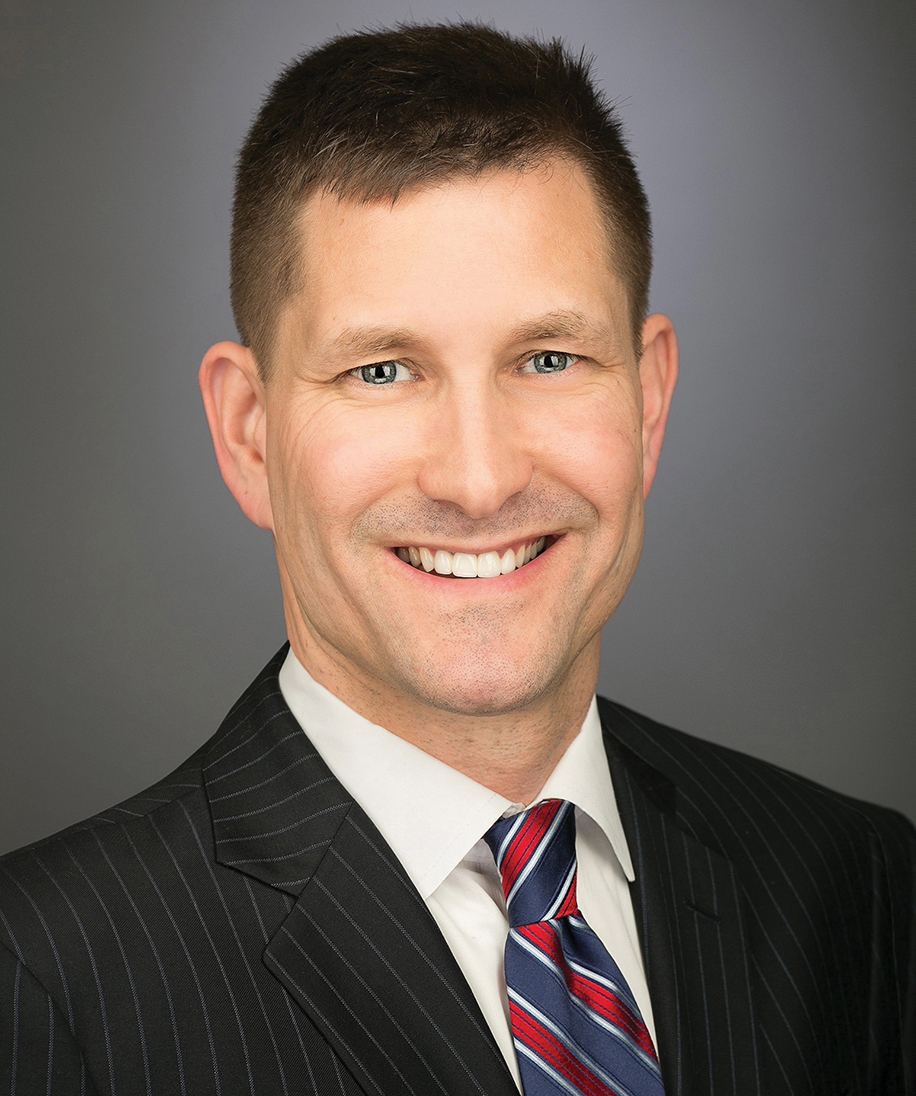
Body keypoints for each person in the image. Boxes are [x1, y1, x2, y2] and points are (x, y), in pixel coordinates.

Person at [1, 21, 912, 1095]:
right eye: (382, 371)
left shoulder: (857, 885)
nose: (478, 481)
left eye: (548, 358)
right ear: (249, 434)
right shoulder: (44, 978)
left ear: (648, 399)